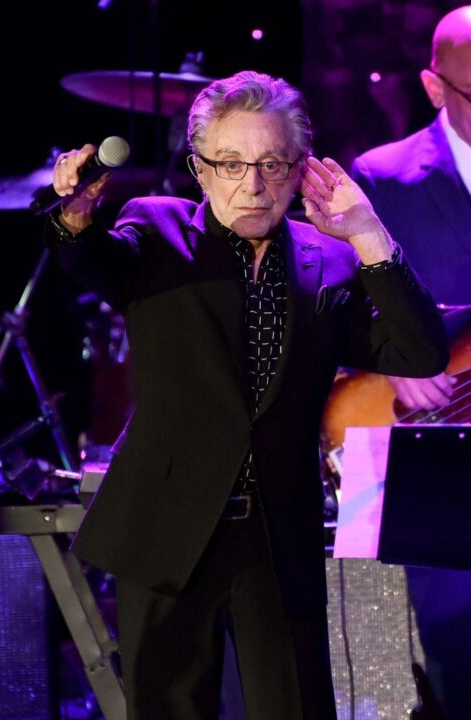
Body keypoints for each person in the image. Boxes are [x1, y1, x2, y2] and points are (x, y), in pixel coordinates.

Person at [47, 70, 447, 720]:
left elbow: (419, 352)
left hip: (276, 535)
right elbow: (88, 259)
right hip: (169, 528)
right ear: (200, 169)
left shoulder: (331, 258)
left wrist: (369, 234)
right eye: (230, 163)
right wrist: (73, 214)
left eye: (271, 163)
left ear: (300, 168)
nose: (252, 184)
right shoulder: (157, 231)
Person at [351, 6, 471, 719]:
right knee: (446, 662)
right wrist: (390, 357)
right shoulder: (379, 178)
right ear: (434, 88)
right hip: (419, 454)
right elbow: (331, 304)